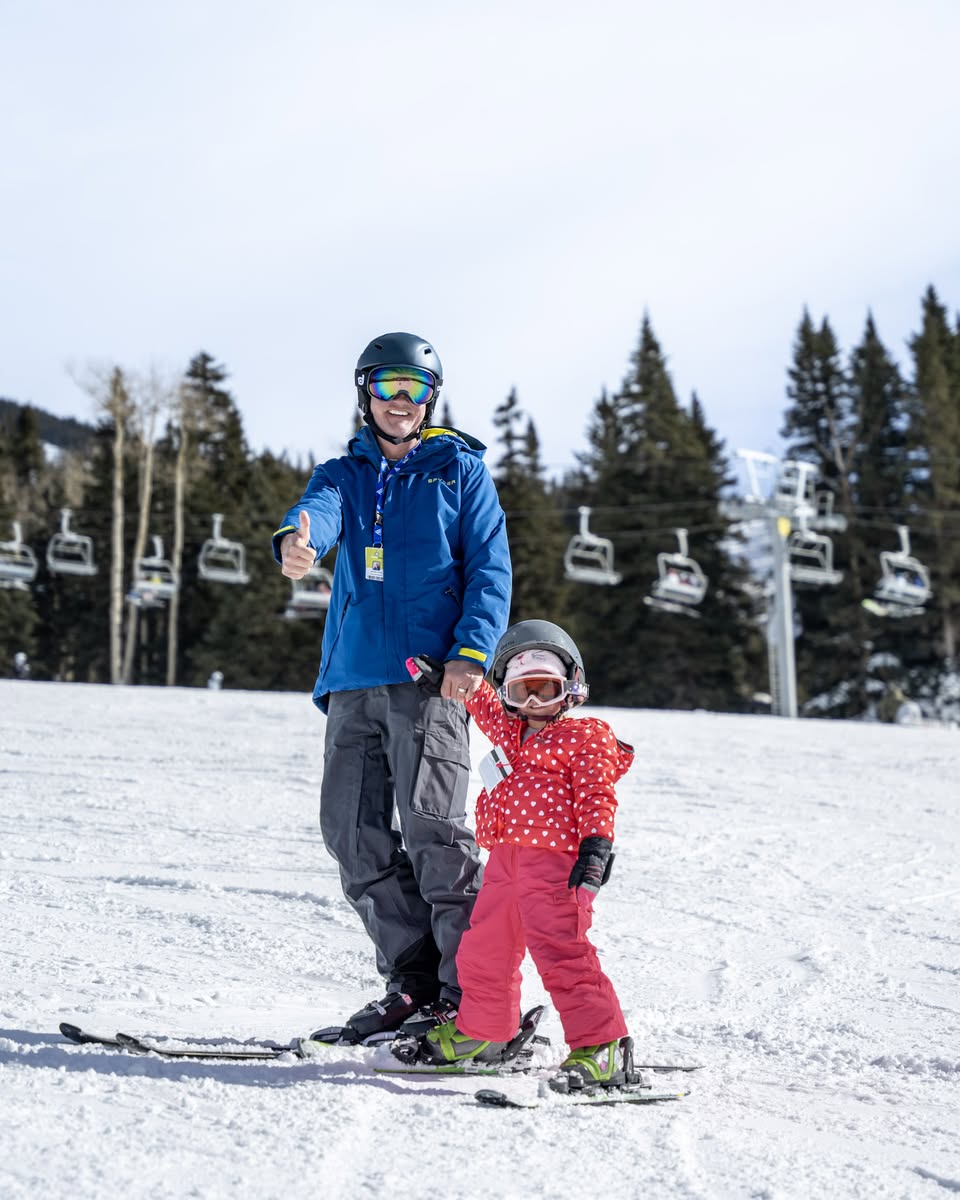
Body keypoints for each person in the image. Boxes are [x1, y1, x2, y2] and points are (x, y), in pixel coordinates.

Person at [273, 332, 511, 1042]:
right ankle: (412, 980)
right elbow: (319, 511)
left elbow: (490, 570)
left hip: (431, 684)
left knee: (435, 831)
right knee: (352, 834)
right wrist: (301, 536)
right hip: (352, 680)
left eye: (413, 388)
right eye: (387, 387)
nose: (400, 401)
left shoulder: (459, 472)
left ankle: (472, 996)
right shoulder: (344, 472)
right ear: (366, 393)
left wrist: (471, 652)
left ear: (430, 398)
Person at [414, 619, 636, 1092]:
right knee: (483, 950)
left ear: (571, 688)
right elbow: (482, 703)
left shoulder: (586, 736)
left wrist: (596, 847)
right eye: (521, 691)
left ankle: (602, 1046)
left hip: (556, 866)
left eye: (545, 689)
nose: (533, 703)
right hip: (505, 863)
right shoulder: (512, 733)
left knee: (562, 953)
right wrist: (450, 681)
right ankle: (484, 1033)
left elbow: (598, 793)